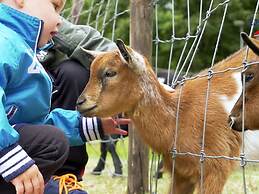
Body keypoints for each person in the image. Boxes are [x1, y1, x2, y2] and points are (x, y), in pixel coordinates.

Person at [0, 1, 129, 194]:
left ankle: (42, 185)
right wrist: (8, 154)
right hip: (5, 150)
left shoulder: (25, 50)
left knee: (50, 140)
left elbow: (35, 125)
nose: (60, 20)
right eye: (55, 7)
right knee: (51, 142)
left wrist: (91, 125)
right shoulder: (5, 42)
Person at [38, 18, 129, 193]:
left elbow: (85, 40)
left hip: (36, 125)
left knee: (73, 72)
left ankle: (63, 177)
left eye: (58, 9)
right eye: (53, 7)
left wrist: (135, 74)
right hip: (12, 138)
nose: (57, 18)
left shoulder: (47, 27)